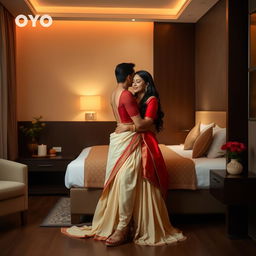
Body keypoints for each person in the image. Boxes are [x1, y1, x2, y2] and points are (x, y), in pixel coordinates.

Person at [61, 64, 185, 246]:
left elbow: (145, 124)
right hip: (127, 140)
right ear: (127, 78)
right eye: (133, 79)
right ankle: (124, 224)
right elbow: (134, 120)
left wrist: (128, 127)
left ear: (146, 84)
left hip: (134, 139)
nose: (134, 83)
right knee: (123, 181)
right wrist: (130, 126)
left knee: (126, 180)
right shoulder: (129, 95)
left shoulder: (141, 98)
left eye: (138, 81)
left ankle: (126, 226)